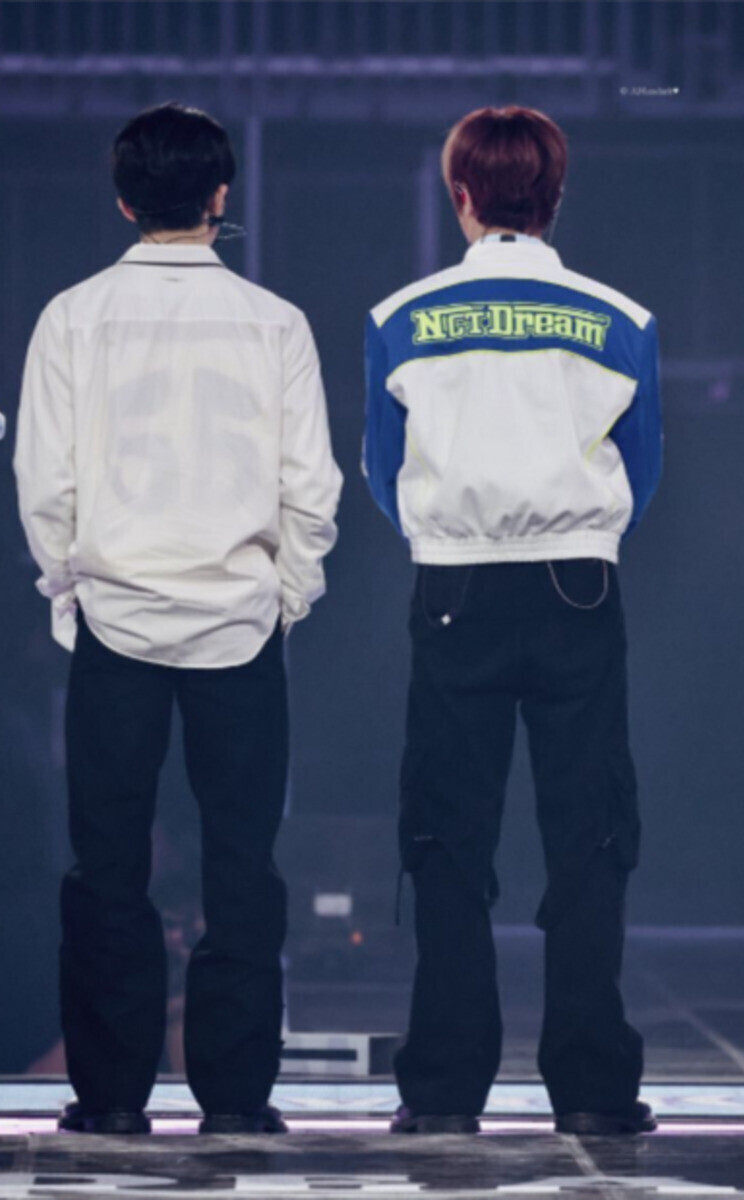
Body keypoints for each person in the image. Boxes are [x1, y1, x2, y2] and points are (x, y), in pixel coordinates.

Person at [14, 101, 342, 1135]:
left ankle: (110, 1101)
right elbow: (312, 491)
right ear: (220, 195)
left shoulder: (73, 318)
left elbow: (43, 486)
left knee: (107, 868)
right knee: (242, 863)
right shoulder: (274, 323)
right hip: (241, 628)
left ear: (123, 200)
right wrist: (284, 599)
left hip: (114, 625)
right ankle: (236, 1100)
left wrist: (71, 598)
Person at [363, 105, 662, 1136]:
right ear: (556, 195)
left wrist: (450, 534)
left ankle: (444, 1092)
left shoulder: (400, 318)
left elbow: (382, 469)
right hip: (580, 588)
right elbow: (644, 469)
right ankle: (594, 1091)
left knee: (447, 837)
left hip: (454, 590)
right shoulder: (619, 318)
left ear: (460, 195)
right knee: (592, 836)